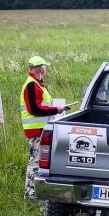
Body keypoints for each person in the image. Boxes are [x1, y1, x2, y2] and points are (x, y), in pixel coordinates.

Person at [21, 55, 62, 202]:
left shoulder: (37, 83)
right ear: (40, 68)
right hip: (36, 130)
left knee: (38, 162)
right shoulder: (32, 84)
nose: (45, 70)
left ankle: (36, 194)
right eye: (44, 67)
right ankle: (31, 196)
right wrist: (55, 110)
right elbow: (34, 109)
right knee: (35, 163)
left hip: (41, 129)